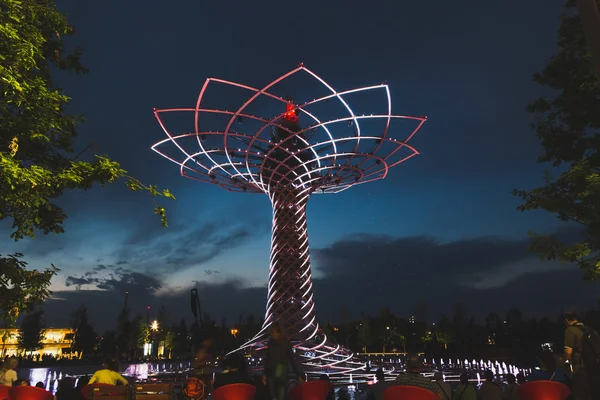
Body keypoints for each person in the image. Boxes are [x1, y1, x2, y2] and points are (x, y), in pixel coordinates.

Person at [563, 312, 599, 399]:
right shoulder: (590, 330)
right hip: (595, 370)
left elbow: (568, 352)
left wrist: (565, 362)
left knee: (580, 395)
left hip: (581, 370)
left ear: (566, 321)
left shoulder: (570, 330)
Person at [263, 324, 304, 400]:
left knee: (277, 395)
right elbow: (267, 359)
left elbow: (292, 359)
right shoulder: (273, 343)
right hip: (274, 372)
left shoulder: (283, 343)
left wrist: (298, 374)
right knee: (275, 396)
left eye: (274, 332)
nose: (272, 334)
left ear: (279, 333)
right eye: (272, 332)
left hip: (278, 372)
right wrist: (264, 374)